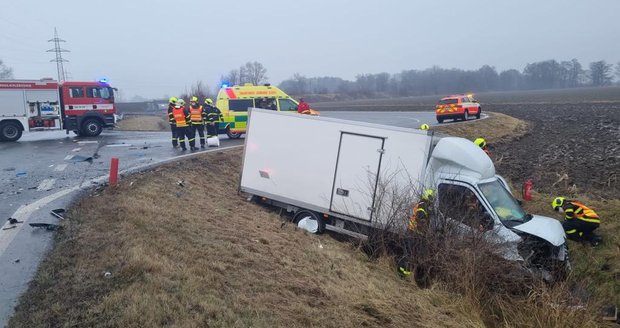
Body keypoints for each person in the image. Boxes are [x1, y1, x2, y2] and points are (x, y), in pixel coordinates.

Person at [399, 189, 434, 277]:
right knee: (409, 253)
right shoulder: (423, 205)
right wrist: (426, 230)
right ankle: (403, 274)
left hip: (413, 232)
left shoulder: (423, 204)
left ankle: (404, 273)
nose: (433, 198)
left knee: (409, 253)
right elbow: (420, 219)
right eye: (432, 196)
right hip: (414, 232)